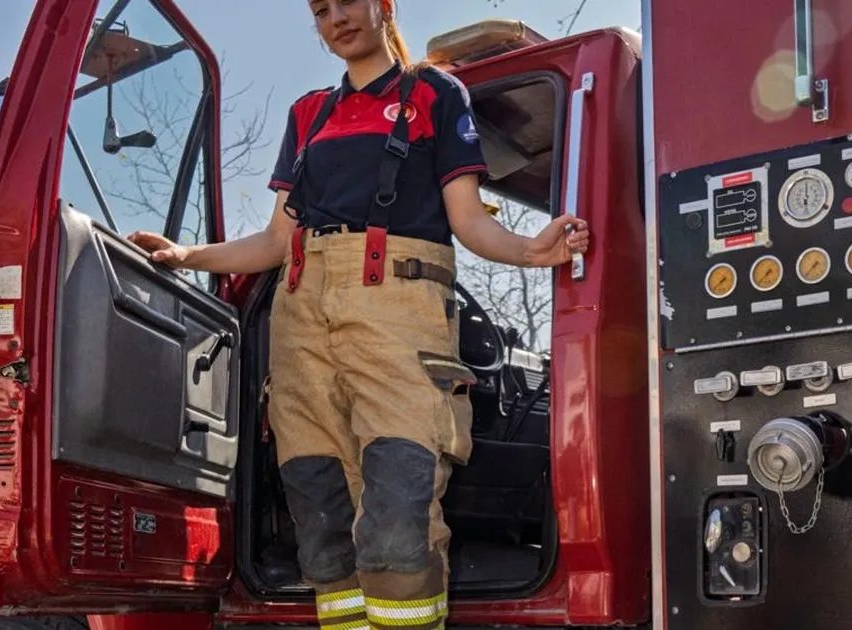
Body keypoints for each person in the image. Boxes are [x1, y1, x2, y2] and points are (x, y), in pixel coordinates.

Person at [127, 0, 590, 627]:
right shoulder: (308, 114)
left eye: (348, 2)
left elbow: (470, 221)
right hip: (302, 315)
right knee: (319, 511)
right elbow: (271, 242)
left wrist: (533, 251)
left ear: (383, 7)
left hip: (397, 309)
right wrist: (186, 254)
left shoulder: (434, 93)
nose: (337, 17)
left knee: (399, 512)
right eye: (321, 10)